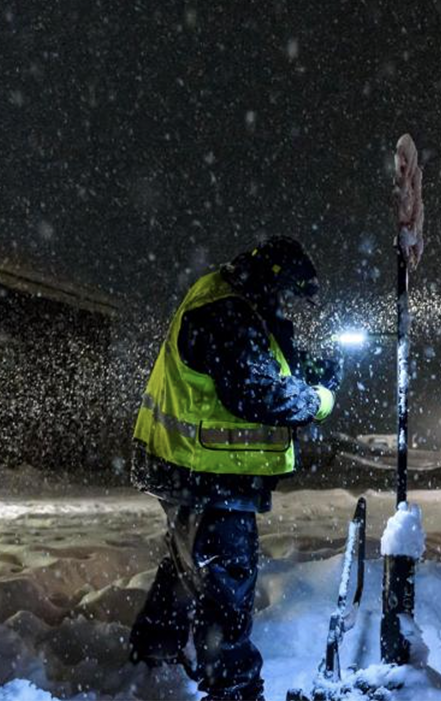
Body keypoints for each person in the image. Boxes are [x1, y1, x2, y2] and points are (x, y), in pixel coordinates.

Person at [128, 236, 342, 700]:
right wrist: (319, 400)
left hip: (192, 467)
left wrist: (309, 366)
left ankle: (156, 649)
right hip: (205, 471)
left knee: (192, 564)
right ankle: (234, 686)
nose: (288, 308)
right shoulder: (228, 312)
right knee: (227, 575)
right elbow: (257, 391)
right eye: (287, 296)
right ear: (272, 281)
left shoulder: (233, 300)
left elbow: (260, 363)